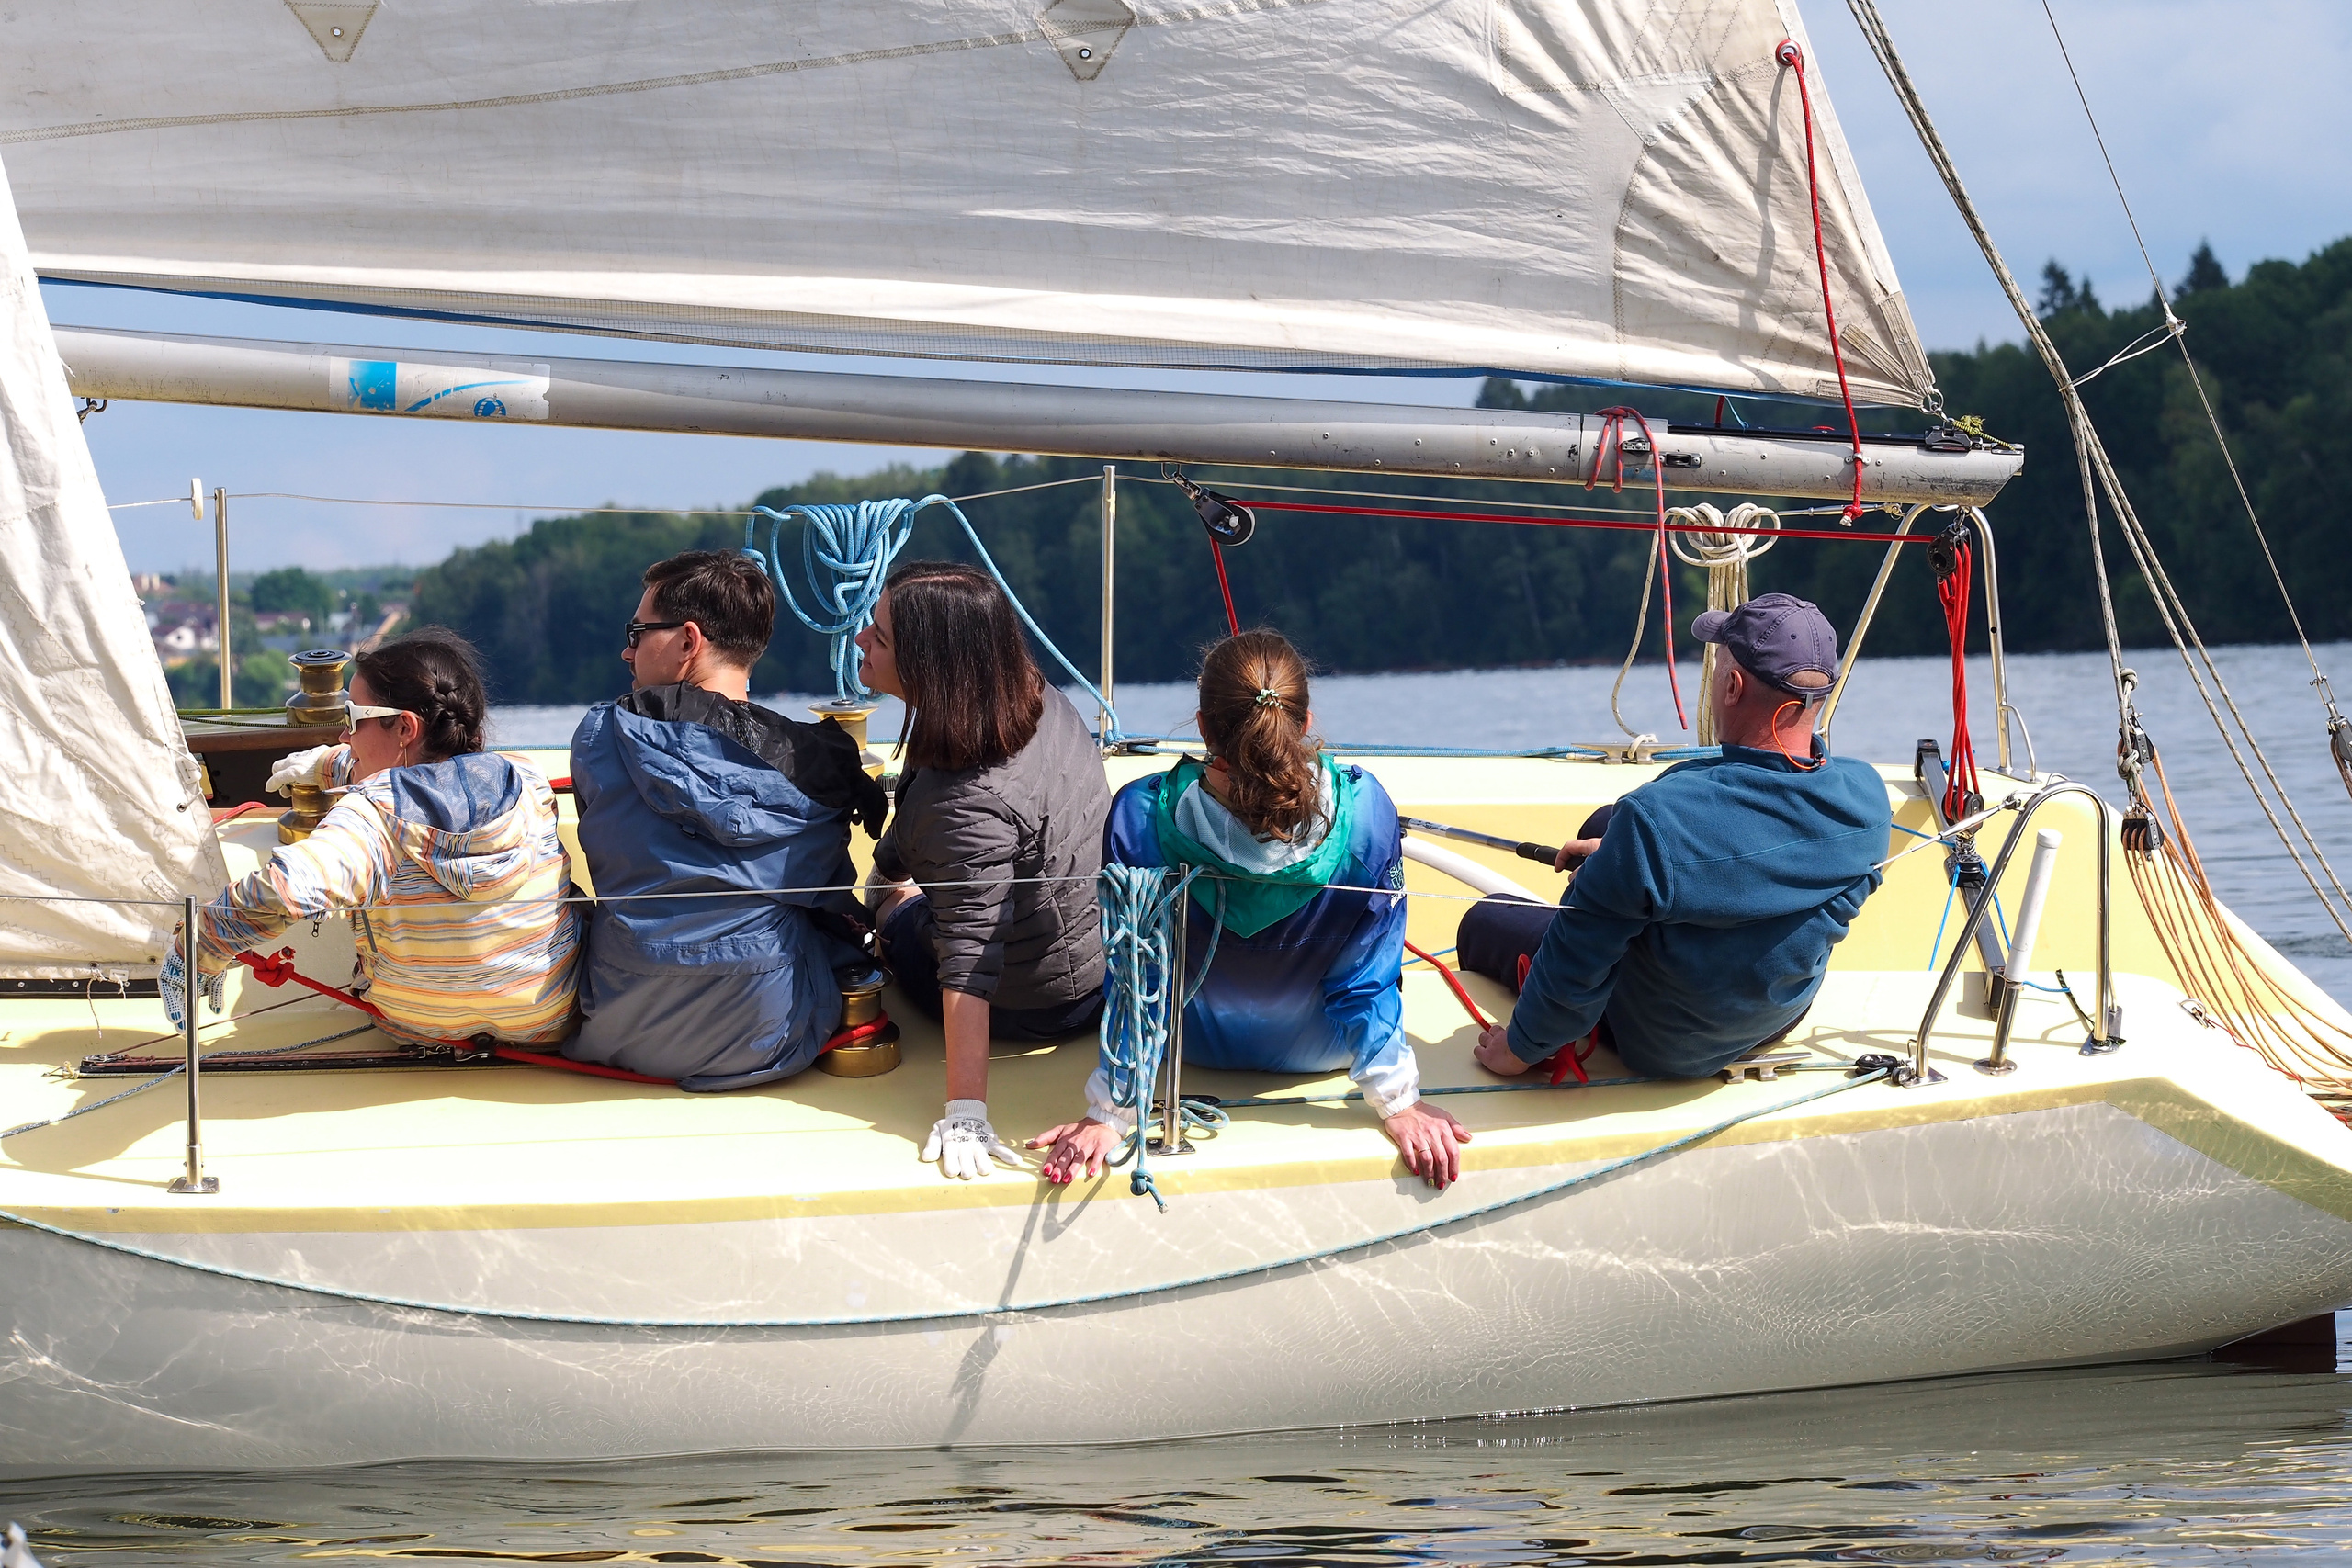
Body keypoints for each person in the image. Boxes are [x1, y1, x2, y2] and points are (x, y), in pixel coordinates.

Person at [1032, 631, 1472, 1190]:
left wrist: (1112, 1115)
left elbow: (1137, 981)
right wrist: (1399, 1103)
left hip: (1189, 1053)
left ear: (1201, 725)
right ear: (1305, 723)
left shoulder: (1138, 818)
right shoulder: (1367, 815)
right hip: (1326, 1054)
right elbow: (1369, 979)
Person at [1469, 593, 1891, 1082]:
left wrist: (1518, 1049)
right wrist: (1621, 859)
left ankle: (1608, 886)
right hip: (1780, 1015)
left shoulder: (1658, 817)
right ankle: (1622, 875)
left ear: (1732, 687)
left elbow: (1575, 961)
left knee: (1485, 918)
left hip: (1666, 1044)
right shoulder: (1866, 796)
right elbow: (1749, 850)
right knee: (1607, 825)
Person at [565, 550, 888, 1089]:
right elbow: (827, 896)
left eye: (639, 631)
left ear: (688, 642)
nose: (627, 649)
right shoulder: (821, 764)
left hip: (622, 1027)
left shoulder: (601, 737)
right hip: (770, 1034)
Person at [187, 629, 582, 1044]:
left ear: (406, 728)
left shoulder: (370, 813)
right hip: (547, 1021)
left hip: (418, 1028)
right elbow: (442, 779)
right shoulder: (529, 781)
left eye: (353, 720)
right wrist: (333, 764)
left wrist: (197, 950)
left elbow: (285, 889)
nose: (343, 736)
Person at [853, 560, 1111, 1179]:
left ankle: (892, 909)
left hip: (1035, 1004)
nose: (861, 638)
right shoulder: (1030, 692)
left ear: (931, 670)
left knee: (896, 915)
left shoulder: (963, 799)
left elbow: (969, 960)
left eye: (879, 637)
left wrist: (965, 1109)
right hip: (1101, 968)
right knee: (920, 880)